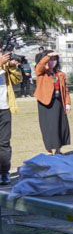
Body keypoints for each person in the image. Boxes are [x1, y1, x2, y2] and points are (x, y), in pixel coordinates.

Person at [33, 51, 71, 155]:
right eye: (51, 59)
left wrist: (67, 103)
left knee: (60, 125)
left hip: (58, 101)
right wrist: (47, 56)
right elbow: (39, 67)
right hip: (45, 102)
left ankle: (58, 149)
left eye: (55, 59)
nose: (53, 62)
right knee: (48, 126)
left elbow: (65, 90)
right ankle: (49, 150)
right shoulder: (41, 72)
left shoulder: (60, 74)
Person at [0, 53, 22, 184]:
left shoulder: (5, 67)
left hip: (4, 108)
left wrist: (13, 67)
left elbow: (17, 79)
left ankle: (3, 173)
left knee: (4, 143)